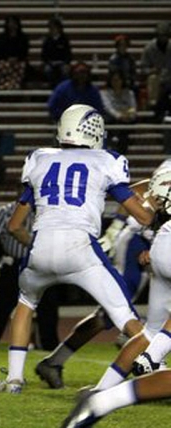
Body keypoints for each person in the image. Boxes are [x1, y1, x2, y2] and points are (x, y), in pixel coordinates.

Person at [0, 104, 155, 394]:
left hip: (40, 246)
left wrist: (40, 245)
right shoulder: (107, 160)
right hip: (81, 247)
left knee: (25, 305)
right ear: (94, 131)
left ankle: (14, 379)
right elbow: (141, 216)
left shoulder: (39, 159)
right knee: (123, 315)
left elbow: (15, 225)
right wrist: (154, 211)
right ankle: (158, 369)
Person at [61, 169, 171, 428]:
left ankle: (100, 396)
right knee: (152, 338)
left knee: (150, 331)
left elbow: (139, 190)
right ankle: (149, 358)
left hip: (161, 241)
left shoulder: (158, 189)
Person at [34, 177, 153, 390]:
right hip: (138, 243)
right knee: (115, 309)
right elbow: (135, 191)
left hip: (155, 243)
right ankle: (151, 368)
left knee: (113, 312)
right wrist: (116, 226)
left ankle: (54, 362)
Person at [0, 189, 59, 352]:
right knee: (0, 305)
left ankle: (50, 344)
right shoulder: (6, 211)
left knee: (48, 306)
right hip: (14, 264)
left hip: (39, 265)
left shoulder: (46, 213)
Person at [101, 70, 137, 154]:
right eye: (114, 80)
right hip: (112, 120)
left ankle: (122, 152)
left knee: (124, 134)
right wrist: (119, 116)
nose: (116, 82)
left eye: (118, 80)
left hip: (127, 120)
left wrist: (129, 115)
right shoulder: (104, 93)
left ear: (122, 81)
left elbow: (133, 107)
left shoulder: (129, 93)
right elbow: (108, 108)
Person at [140, 21, 171, 109]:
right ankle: (153, 104)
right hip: (157, 79)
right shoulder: (149, 48)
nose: (163, 38)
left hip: (169, 78)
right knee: (153, 78)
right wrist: (151, 70)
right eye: (161, 35)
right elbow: (143, 68)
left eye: (165, 35)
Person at [41, 16, 72, 88]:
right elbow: (43, 55)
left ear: (59, 28)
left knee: (65, 70)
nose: (53, 29)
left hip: (62, 63)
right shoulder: (47, 40)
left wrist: (65, 63)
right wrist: (49, 62)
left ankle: (64, 87)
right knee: (47, 70)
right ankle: (52, 86)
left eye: (54, 27)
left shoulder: (64, 40)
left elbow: (68, 54)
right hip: (50, 63)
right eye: (51, 28)